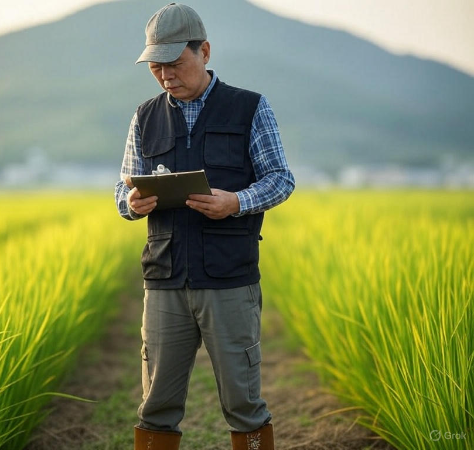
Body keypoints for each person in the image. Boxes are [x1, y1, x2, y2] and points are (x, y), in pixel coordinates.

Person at [114, 3, 295, 449]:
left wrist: (236, 201)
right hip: (164, 282)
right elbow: (121, 191)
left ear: (205, 52)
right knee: (155, 406)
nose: (166, 76)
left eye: (175, 63)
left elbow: (281, 179)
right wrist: (133, 203)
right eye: (157, 67)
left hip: (229, 281)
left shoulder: (250, 107)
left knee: (243, 402)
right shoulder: (144, 115)